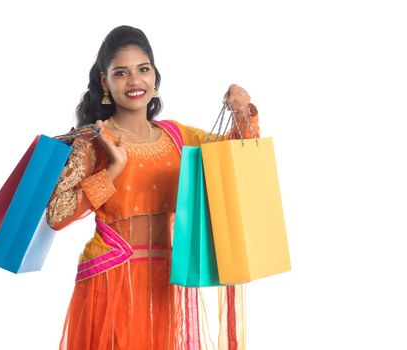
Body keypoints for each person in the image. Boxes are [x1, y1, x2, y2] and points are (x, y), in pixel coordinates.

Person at [45, 25, 261, 350]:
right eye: (121, 73)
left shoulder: (176, 136)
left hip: (162, 283)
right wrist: (114, 169)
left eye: (143, 69)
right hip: (109, 277)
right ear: (105, 82)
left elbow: (235, 157)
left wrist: (241, 108)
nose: (134, 81)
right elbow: (57, 215)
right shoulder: (95, 140)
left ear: (154, 76)